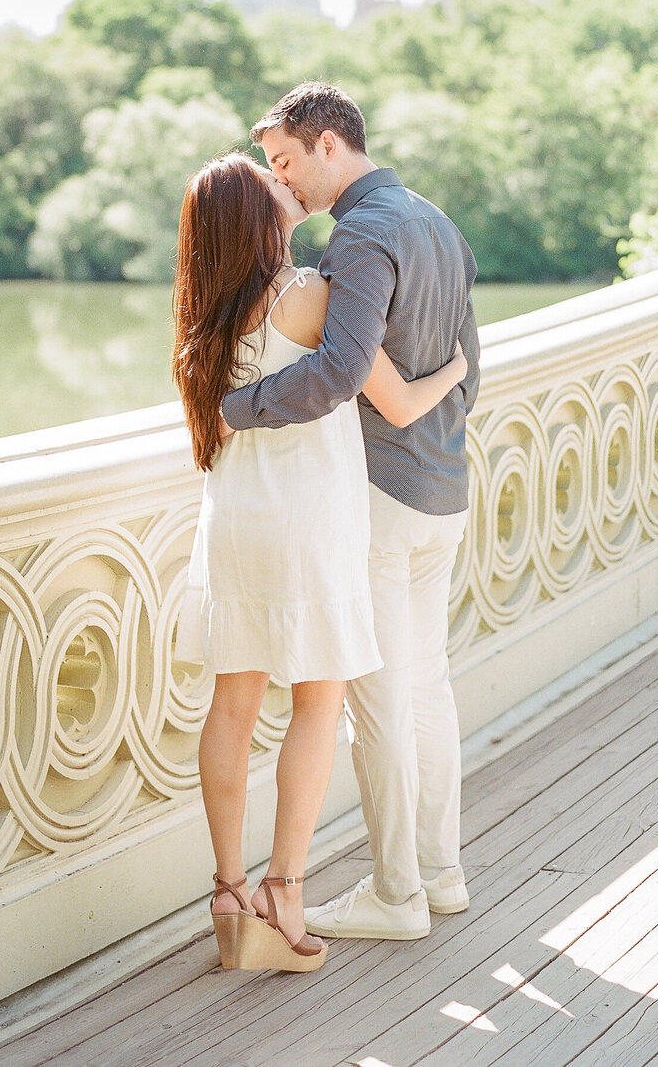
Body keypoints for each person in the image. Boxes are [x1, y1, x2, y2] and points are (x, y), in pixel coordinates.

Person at [173, 152, 468, 972]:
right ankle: (287, 891)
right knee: (317, 699)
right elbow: (396, 398)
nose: (289, 186)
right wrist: (456, 367)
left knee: (232, 702)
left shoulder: (203, 319)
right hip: (308, 520)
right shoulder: (310, 299)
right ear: (254, 217)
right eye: (272, 184)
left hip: (233, 522)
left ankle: (228, 893)